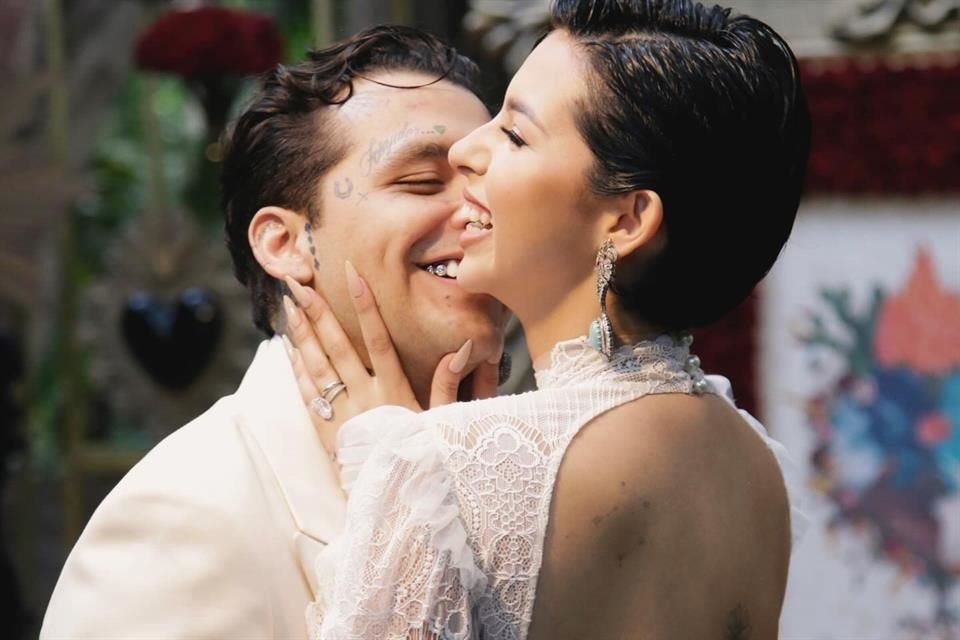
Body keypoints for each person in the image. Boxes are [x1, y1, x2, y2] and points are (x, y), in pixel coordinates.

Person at [283, 1, 811, 638]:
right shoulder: (757, 465)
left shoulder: (443, 466)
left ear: (626, 220)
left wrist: (388, 467)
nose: (465, 152)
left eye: (514, 134)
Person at [40, 27, 506, 639]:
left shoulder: (526, 464)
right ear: (285, 244)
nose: (481, 212)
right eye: (420, 182)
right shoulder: (183, 518)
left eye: (490, 179)